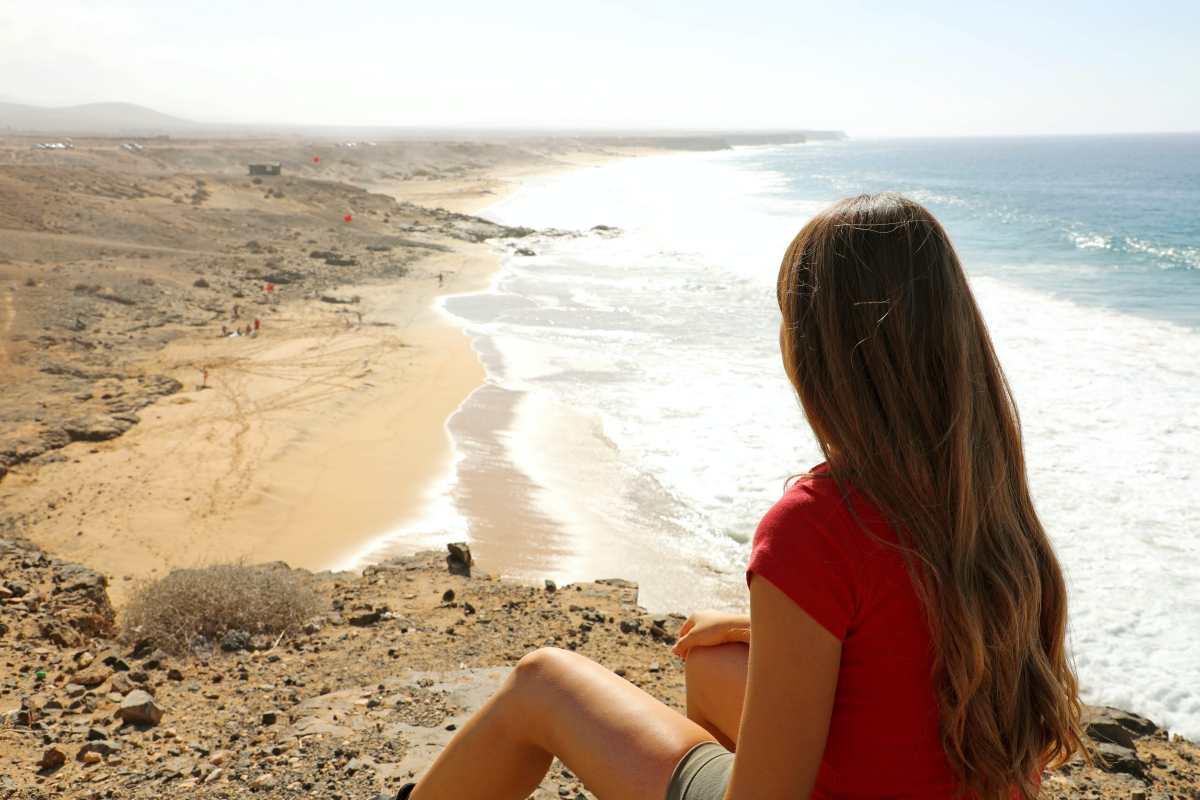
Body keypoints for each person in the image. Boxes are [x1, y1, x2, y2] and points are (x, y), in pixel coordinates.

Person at [396, 194, 1084, 800]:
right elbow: (909, 626)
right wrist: (769, 631)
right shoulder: (989, 502)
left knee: (543, 682)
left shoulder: (817, 526)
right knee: (713, 656)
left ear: (816, 351)